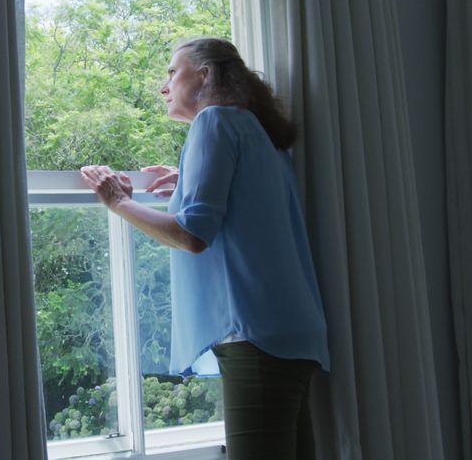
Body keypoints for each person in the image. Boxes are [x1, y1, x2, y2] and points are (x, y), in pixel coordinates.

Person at [80, 37, 329, 460]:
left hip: (254, 335)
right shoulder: (258, 133)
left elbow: (192, 235)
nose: (165, 86)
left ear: (206, 74)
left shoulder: (214, 122)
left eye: (173, 72)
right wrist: (188, 181)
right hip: (293, 332)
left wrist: (118, 201)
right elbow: (247, 206)